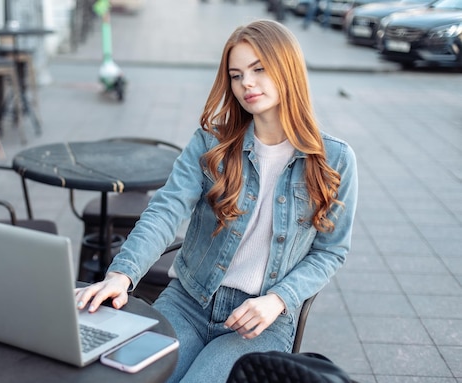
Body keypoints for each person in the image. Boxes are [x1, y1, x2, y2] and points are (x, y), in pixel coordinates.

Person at [76, 19, 358, 383]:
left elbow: (331, 251)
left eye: (259, 69)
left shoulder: (334, 159)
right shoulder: (212, 142)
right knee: (131, 377)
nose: (247, 84)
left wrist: (279, 299)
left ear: (287, 68)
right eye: (236, 75)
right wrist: (122, 274)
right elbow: (166, 209)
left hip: (259, 322)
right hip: (188, 301)